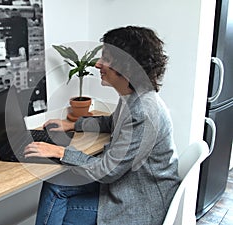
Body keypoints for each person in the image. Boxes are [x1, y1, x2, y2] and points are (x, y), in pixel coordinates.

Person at [24, 25, 180, 225]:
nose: (98, 64)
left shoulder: (143, 111)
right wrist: (73, 124)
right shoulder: (133, 96)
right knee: (55, 184)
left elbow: (107, 171)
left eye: (105, 58)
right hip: (127, 183)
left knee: (58, 204)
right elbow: (111, 123)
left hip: (141, 203)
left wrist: (59, 152)